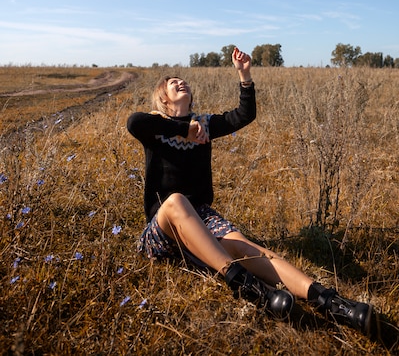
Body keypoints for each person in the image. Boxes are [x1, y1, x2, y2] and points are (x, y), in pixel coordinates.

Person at [127, 47, 374, 334]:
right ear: (164, 98)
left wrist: (244, 75)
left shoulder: (206, 124)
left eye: (183, 81)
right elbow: (134, 122)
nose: (181, 83)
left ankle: (329, 301)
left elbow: (244, 115)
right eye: (173, 83)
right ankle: (247, 286)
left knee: (244, 247)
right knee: (176, 202)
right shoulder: (156, 127)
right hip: (163, 231)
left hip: (202, 218)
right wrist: (183, 130)